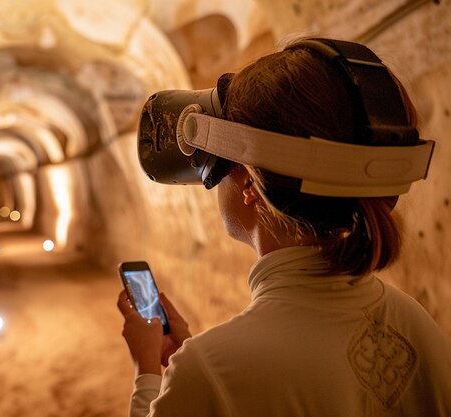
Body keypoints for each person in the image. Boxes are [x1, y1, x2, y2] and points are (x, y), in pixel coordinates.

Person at [116, 38, 451, 417]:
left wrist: (149, 371)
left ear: (247, 182)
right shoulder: (416, 325)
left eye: (216, 166)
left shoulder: (207, 370)